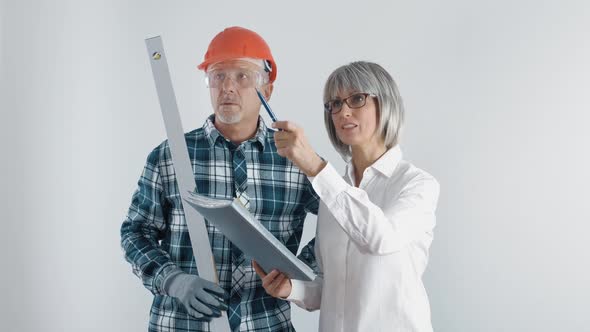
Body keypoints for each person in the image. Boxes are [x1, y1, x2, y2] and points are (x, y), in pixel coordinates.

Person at [120, 26, 320, 332]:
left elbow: (342, 225)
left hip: (266, 324)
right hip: (182, 325)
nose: (228, 86)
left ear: (267, 90)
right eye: (218, 76)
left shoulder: (296, 160)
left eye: (242, 76)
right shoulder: (170, 156)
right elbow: (135, 232)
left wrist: (299, 274)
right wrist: (172, 280)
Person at [253, 61, 440, 331]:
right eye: (335, 104)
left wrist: (315, 167)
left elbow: (380, 239)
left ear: (385, 104)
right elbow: (330, 288)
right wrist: (291, 289)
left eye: (357, 99)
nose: (344, 112)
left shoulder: (417, 185)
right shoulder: (334, 192)